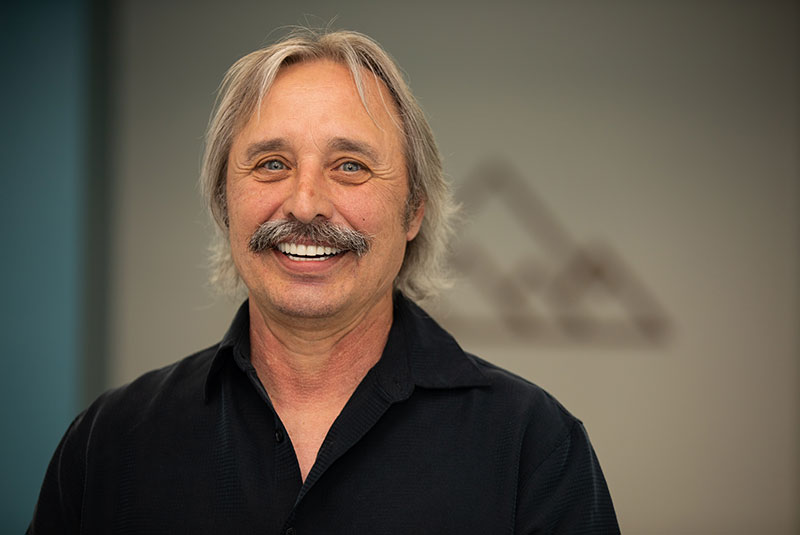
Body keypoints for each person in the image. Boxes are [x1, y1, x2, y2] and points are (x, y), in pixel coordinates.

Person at [29, 28, 619, 534]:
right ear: (223, 201)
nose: (306, 203)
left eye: (350, 166)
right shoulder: (110, 445)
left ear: (414, 209)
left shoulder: (532, 449)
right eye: (272, 164)